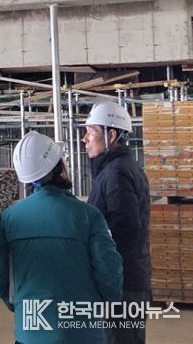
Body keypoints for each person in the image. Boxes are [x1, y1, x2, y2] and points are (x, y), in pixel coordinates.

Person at [0, 131, 123, 344]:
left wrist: (21, 304)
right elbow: (109, 270)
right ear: (59, 167)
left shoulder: (9, 218)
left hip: (30, 331)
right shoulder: (88, 215)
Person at [82, 101, 151, 344]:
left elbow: (124, 229)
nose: (84, 139)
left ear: (111, 135)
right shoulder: (114, 169)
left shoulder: (116, 173)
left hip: (123, 283)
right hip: (124, 278)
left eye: (91, 131)